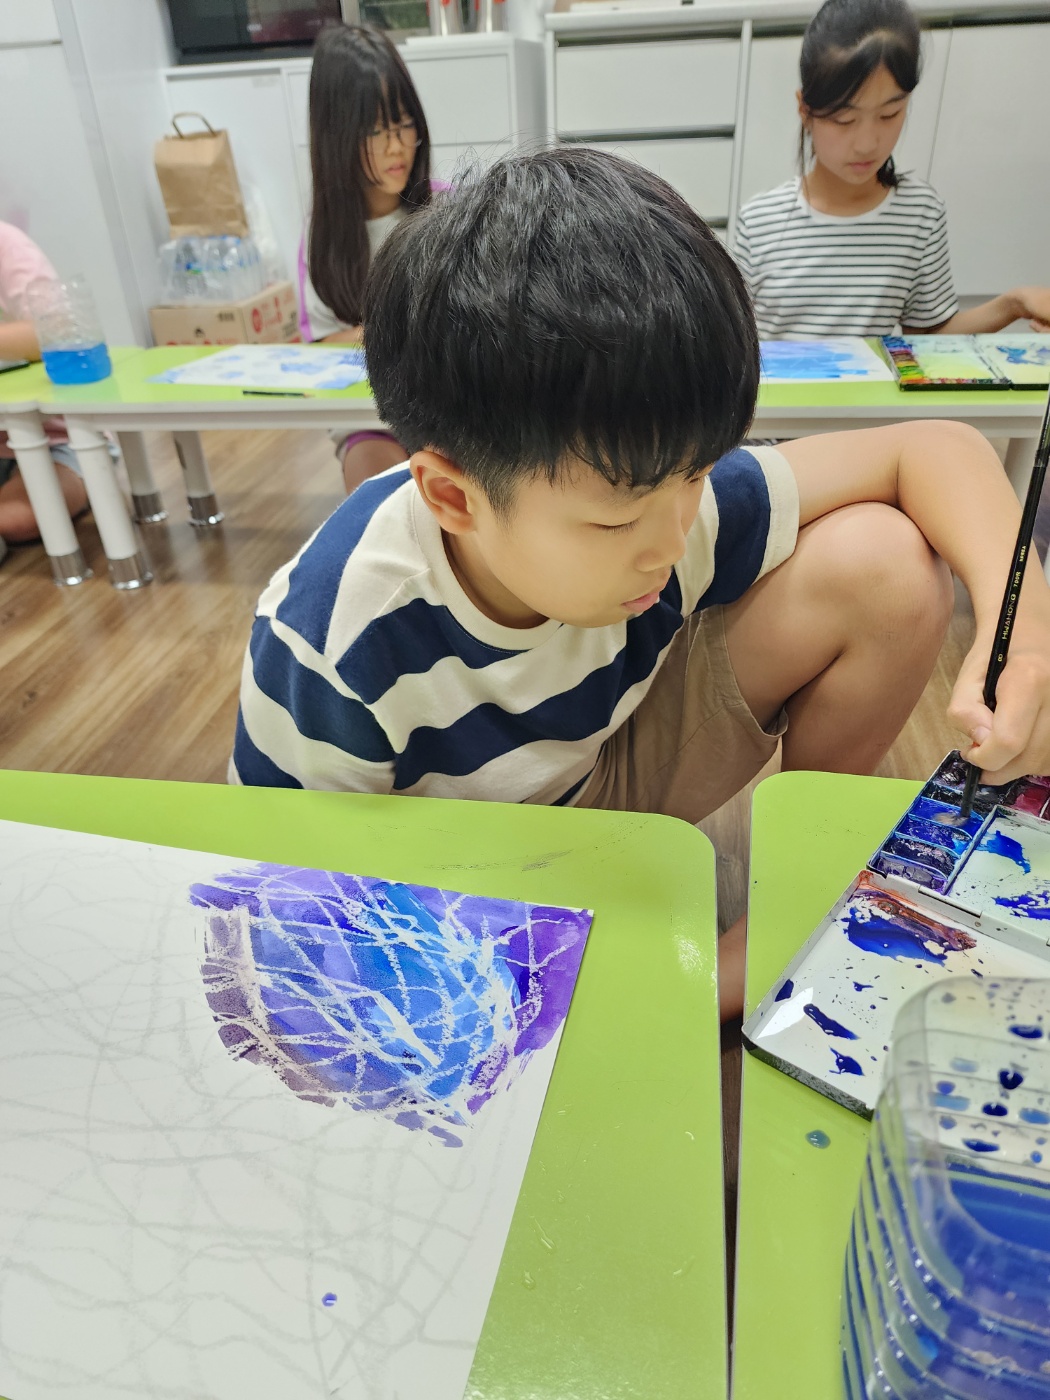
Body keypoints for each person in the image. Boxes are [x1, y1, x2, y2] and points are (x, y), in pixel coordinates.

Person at [231, 148, 1050, 1020]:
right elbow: (291, 907)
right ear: (453, 497)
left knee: (887, 564)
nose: (669, 543)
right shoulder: (331, 635)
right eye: (616, 523)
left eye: (695, 475)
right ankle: (707, 972)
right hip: (444, 879)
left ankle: (788, 899)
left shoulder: (655, 495)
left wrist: (1030, 644)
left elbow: (934, 447)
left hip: (601, 773)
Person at [734, 0, 1050, 338]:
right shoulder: (759, 222)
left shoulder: (920, 215)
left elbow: (929, 337)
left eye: (889, 115)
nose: (867, 143)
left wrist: (1014, 304)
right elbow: (734, 343)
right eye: (845, 120)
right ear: (805, 110)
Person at [299, 22, 439, 492]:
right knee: (381, 499)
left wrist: (366, 334)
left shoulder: (446, 209)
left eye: (404, 123)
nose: (396, 146)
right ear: (335, 136)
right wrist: (399, 331)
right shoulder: (323, 238)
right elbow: (321, 347)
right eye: (376, 130)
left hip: (449, 410)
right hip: (367, 416)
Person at [0, 222, 88, 550]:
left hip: (51, 439)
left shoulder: (6, 245)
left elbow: (56, 331)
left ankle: (87, 479)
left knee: (18, 518)